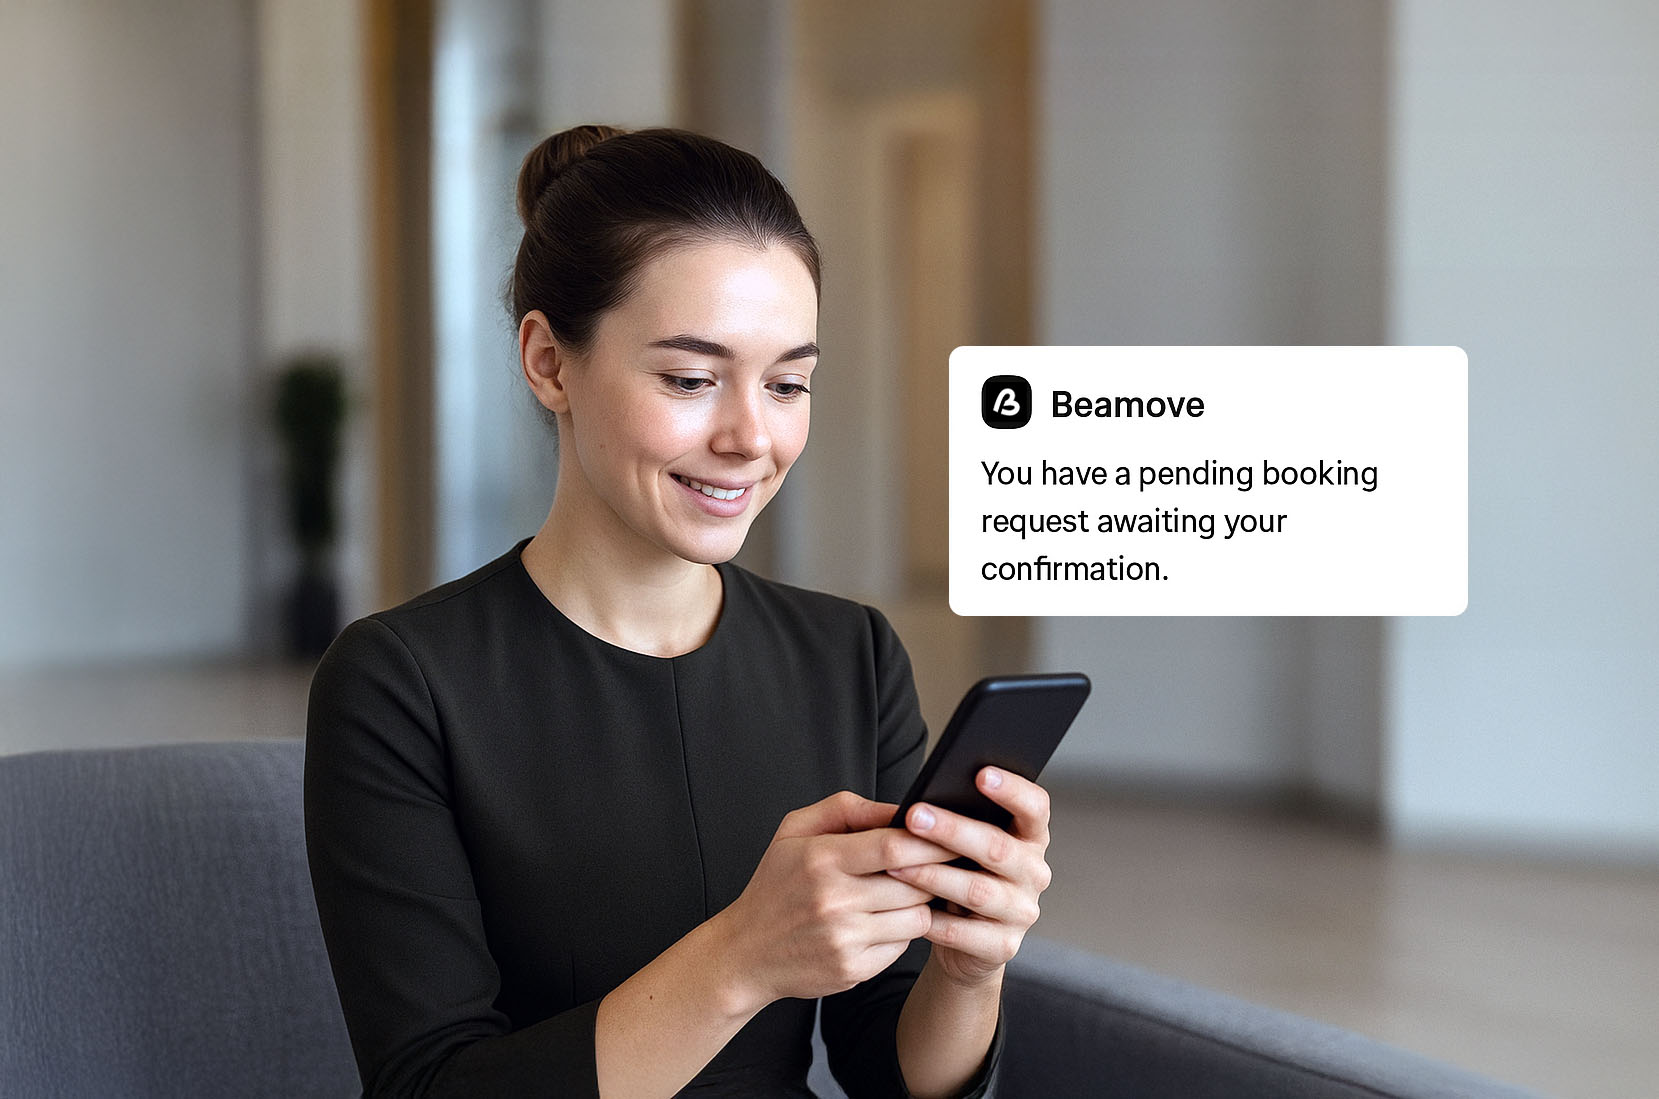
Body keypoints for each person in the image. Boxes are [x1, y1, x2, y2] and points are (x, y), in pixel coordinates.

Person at [304, 125, 1054, 1098]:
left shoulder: (850, 657)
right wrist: (741, 956)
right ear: (548, 361)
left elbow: (892, 1068)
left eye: (788, 383)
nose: (752, 436)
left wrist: (968, 967)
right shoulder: (402, 684)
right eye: (692, 379)